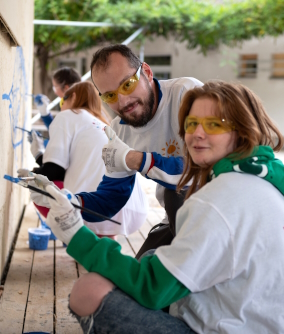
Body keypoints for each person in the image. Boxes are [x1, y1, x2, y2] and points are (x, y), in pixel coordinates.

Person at [40, 81, 284, 333]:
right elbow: (111, 196)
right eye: (191, 124)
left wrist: (74, 233)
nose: (197, 134)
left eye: (214, 124)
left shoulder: (216, 199)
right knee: (154, 254)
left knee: (88, 290)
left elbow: (152, 289)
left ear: (241, 131)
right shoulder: (265, 180)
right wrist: (75, 201)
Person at [65, 44, 203, 258]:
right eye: (109, 96)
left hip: (218, 209)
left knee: (176, 195)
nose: (123, 101)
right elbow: (112, 197)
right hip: (175, 219)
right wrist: (71, 202)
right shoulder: (118, 130)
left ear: (147, 72)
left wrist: (138, 159)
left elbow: (204, 170)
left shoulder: (187, 94)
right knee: (135, 283)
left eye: (128, 85)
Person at [21, 81, 148, 238]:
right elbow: (72, 168)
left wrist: (33, 170)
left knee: (39, 188)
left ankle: (83, 241)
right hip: (131, 208)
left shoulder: (68, 115)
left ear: (73, 97)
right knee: (103, 243)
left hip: (94, 208)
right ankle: (104, 244)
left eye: (63, 100)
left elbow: (54, 172)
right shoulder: (103, 123)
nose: (61, 105)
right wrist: (40, 157)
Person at [30, 67, 82, 163]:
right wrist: (44, 113)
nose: (54, 92)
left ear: (66, 88)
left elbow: (64, 140)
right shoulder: (77, 103)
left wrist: (42, 150)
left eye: (55, 87)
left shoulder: (76, 110)